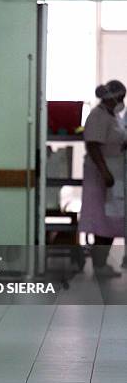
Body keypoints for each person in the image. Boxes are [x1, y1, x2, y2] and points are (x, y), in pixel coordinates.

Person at [79, 80, 127, 276]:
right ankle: (99, 266)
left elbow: (113, 140)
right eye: (121, 97)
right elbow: (92, 145)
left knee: (111, 219)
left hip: (113, 171)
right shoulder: (97, 116)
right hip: (100, 175)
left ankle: (102, 265)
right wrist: (105, 172)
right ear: (112, 97)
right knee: (101, 220)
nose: (123, 101)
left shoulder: (112, 115)